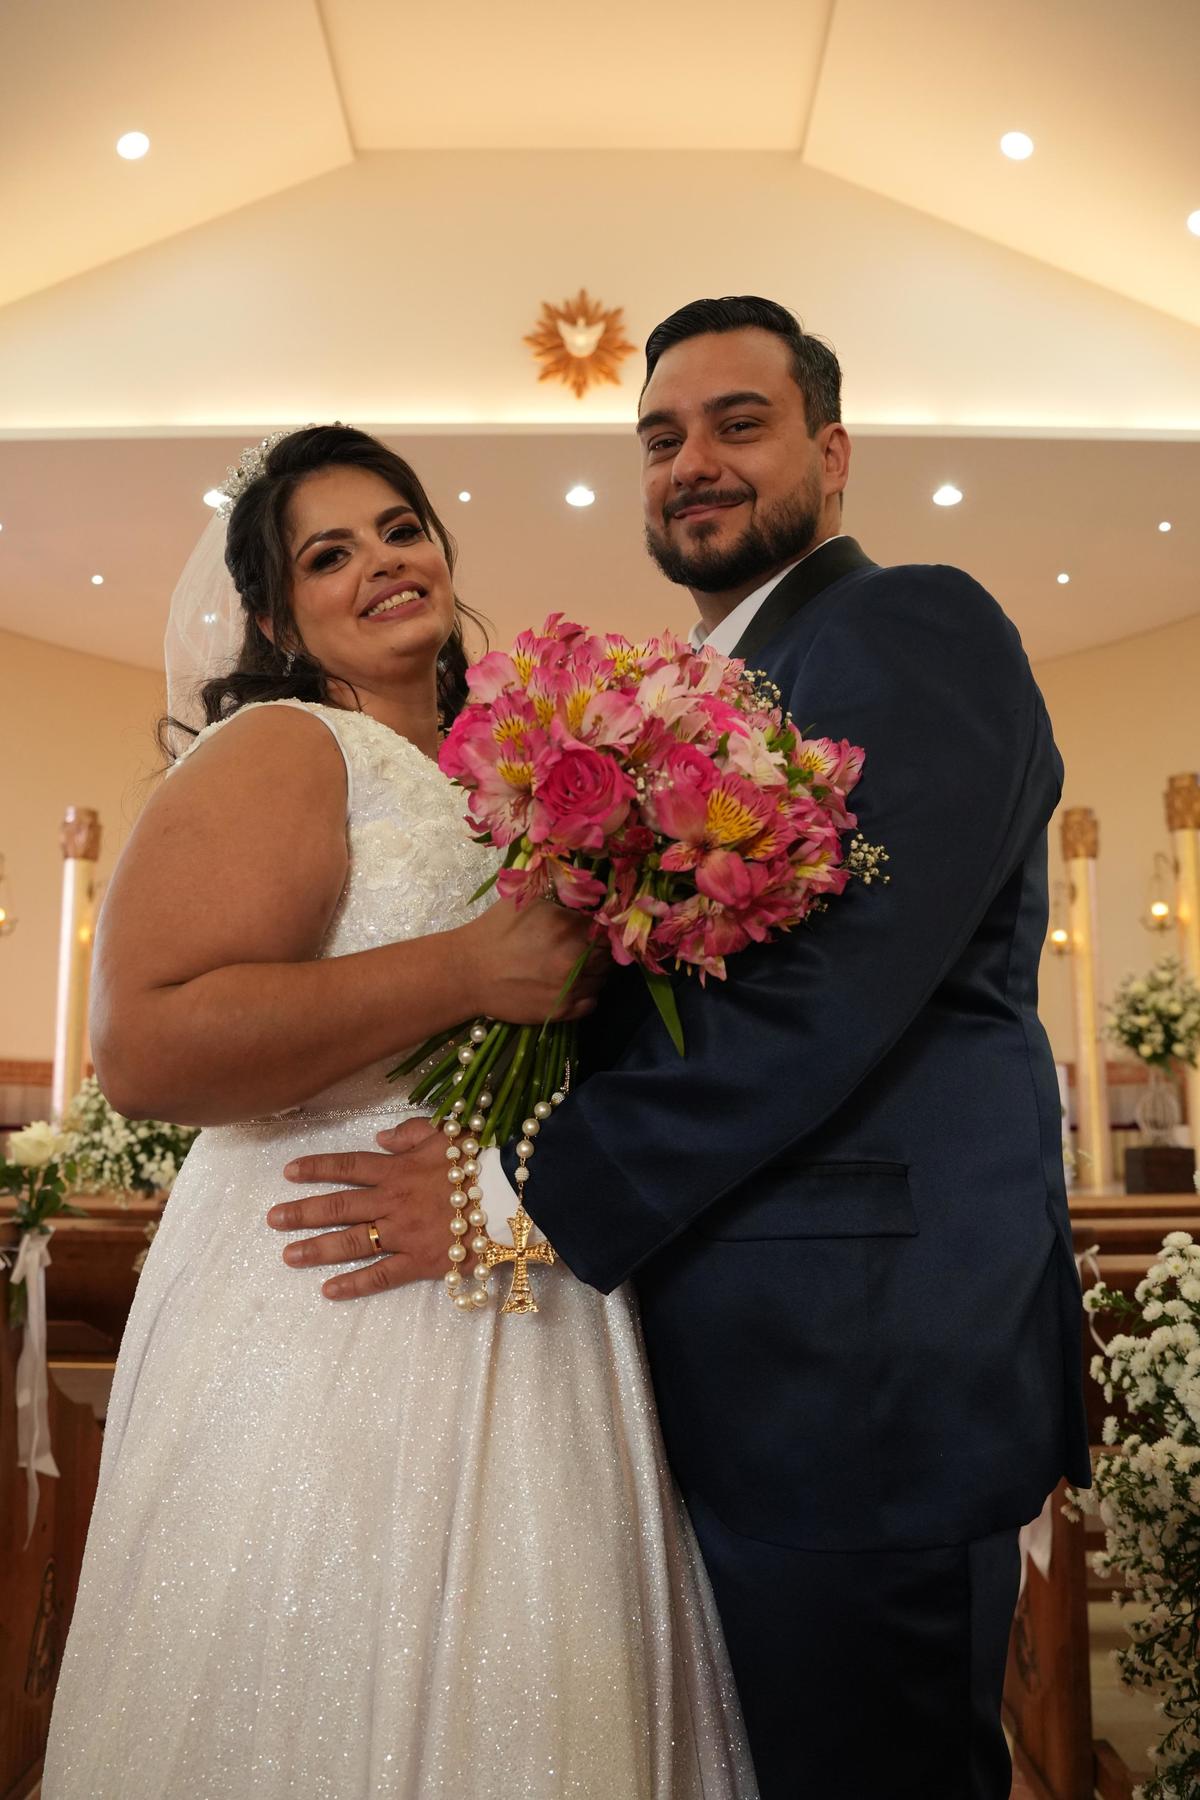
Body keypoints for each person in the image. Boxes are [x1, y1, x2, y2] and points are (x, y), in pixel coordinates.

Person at [280, 302, 1091, 1800]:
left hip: (857, 1375)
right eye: (661, 438)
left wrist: (517, 1192)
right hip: (717, 1364)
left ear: (831, 454)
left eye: (739, 424)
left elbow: (829, 986)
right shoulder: (694, 693)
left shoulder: (909, 625)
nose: (691, 462)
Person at [43, 425, 756, 1799]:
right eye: (329, 554)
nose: (381, 562)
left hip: (526, 1268)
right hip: (330, 1294)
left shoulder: (528, 761)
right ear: (274, 617)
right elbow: (144, 1045)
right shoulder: (285, 747)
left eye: (399, 528)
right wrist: (465, 968)